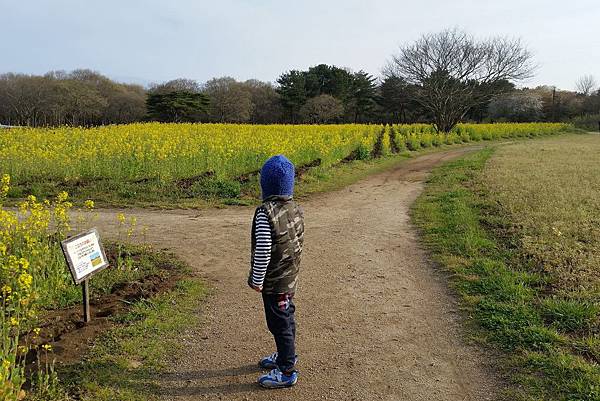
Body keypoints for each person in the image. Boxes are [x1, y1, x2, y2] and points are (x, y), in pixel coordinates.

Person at [248, 155, 305, 389]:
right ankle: (285, 355)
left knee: (279, 323)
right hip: (290, 277)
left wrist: (256, 278)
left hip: (274, 282)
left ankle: (287, 370)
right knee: (286, 318)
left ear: (265, 185)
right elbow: (298, 240)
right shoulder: (296, 208)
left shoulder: (266, 213)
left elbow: (263, 249)